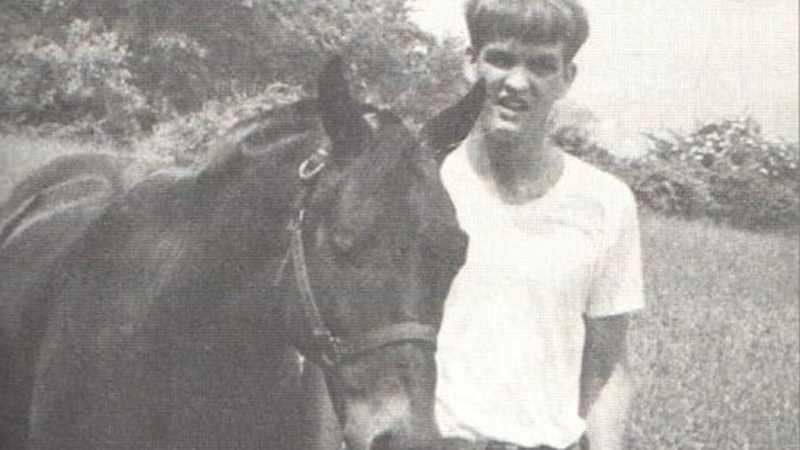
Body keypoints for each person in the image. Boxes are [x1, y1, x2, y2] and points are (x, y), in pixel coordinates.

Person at [434, 1, 645, 450]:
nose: (517, 82)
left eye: (542, 65)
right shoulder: (421, 186)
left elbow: (606, 369)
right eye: (501, 58)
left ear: (567, 78)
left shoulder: (605, 202)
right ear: (470, 62)